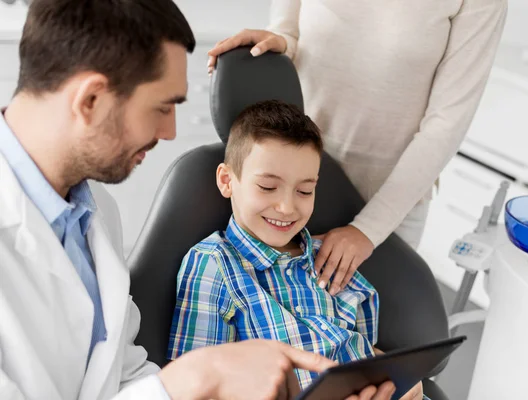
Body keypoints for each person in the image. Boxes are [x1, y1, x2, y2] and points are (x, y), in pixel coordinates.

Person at [0, 1, 379, 399]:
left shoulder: (92, 212)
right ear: (91, 99)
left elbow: (122, 373)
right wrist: (191, 379)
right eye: (162, 107)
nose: (169, 130)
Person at [207, 0, 508, 295]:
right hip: (292, 186)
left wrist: (367, 231)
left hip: (386, 202)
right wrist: (279, 44)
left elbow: (446, 123)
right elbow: (289, 34)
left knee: (365, 338)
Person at [168, 100, 423, 400]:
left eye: (304, 191)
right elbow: (198, 389)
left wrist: (401, 376)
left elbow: (359, 342)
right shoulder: (214, 265)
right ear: (227, 181)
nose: (287, 207)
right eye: (267, 187)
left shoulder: (324, 256)